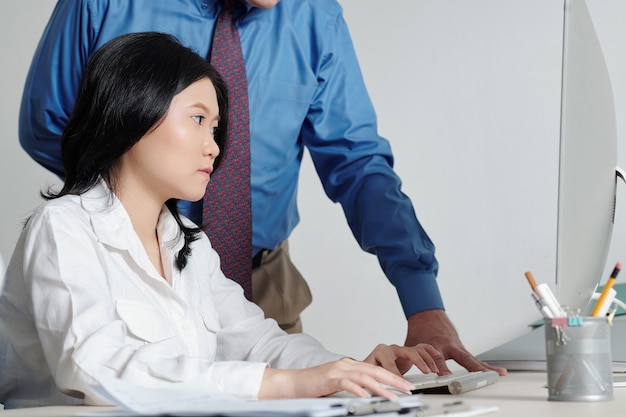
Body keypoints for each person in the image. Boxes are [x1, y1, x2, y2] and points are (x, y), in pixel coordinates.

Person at [18, 0, 506, 376]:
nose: (214, 148)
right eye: (198, 121)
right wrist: (142, 220)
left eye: (216, 126)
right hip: (127, 268)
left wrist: (420, 302)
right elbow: (51, 123)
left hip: (260, 281)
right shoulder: (104, 5)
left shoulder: (315, 18)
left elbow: (358, 164)